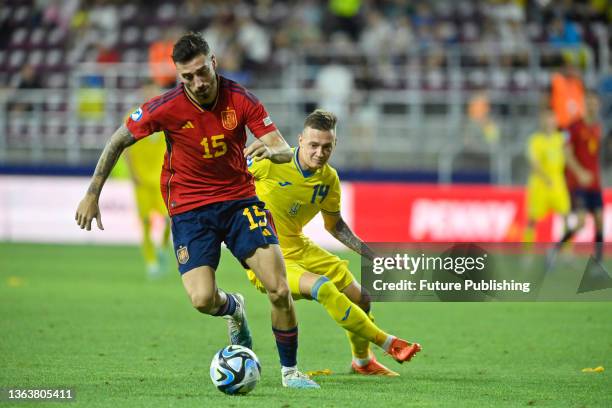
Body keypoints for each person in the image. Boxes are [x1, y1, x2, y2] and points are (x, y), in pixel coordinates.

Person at [75, 32, 319, 389]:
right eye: (187, 76)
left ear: (213, 63)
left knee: (279, 288)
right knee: (203, 299)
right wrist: (92, 193)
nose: (197, 82)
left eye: (202, 72)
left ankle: (290, 372)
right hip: (190, 209)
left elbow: (281, 147)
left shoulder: (241, 98)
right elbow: (118, 139)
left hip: (239, 201)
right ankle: (233, 307)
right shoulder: (166, 106)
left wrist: (272, 151)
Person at [246, 109, 421, 376]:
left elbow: (335, 226)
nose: (319, 152)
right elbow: (227, 181)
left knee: (361, 298)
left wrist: (374, 256)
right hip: (266, 254)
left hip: (299, 247)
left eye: (327, 147)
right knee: (323, 288)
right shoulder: (269, 162)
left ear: (335, 145)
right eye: (313, 145)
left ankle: (362, 362)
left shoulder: (329, 180)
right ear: (300, 140)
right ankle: (389, 342)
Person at [122, 80, 172, 279]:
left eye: (154, 90)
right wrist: (132, 173)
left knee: (169, 220)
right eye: (148, 90)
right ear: (143, 92)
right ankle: (150, 262)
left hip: (161, 180)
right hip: (141, 181)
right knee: (145, 222)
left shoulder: (167, 117)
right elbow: (124, 147)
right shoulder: (133, 118)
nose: (151, 93)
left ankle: (162, 248)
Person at [550, 92, 605, 268]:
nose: (592, 106)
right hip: (578, 183)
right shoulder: (573, 127)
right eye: (589, 103)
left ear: (598, 106)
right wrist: (580, 172)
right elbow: (567, 154)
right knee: (581, 222)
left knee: (599, 222)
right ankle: (555, 249)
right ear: (584, 105)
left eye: (595, 103)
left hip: (594, 184)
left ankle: (598, 264)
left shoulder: (597, 128)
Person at [523, 108, 570, 243]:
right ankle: (527, 253)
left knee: (566, 216)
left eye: (551, 118)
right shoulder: (535, 140)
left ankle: (567, 251)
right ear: (541, 121)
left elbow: (569, 157)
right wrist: (545, 178)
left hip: (558, 183)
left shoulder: (561, 138)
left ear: (555, 121)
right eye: (546, 118)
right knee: (532, 219)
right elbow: (534, 163)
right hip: (540, 184)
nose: (549, 122)